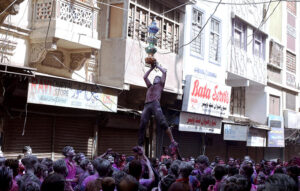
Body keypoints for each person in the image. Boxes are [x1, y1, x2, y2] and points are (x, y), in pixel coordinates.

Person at [138, 58, 177, 150]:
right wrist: (151, 68)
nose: (156, 78)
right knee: (142, 123)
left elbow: (164, 72)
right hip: (147, 105)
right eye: (155, 77)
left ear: (160, 80)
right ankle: (140, 145)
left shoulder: (161, 85)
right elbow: (144, 77)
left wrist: (157, 65)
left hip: (155, 104)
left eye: (157, 78)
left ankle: (172, 140)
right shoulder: (150, 86)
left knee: (162, 122)